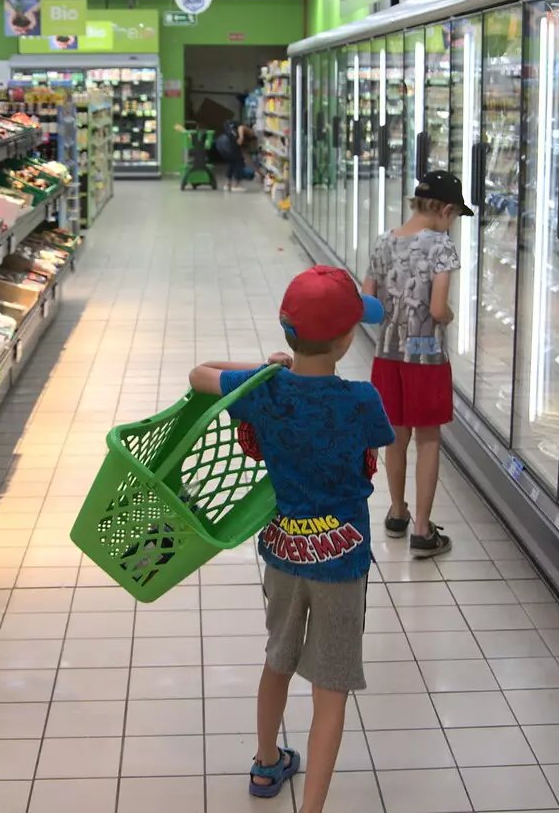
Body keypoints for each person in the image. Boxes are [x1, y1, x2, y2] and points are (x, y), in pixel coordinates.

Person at [188, 266, 393, 813]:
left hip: (281, 551)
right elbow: (380, 441)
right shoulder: (363, 400)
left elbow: (199, 373)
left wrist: (263, 371)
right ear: (348, 339)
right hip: (341, 560)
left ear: (287, 333)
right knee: (331, 686)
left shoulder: (264, 392)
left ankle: (265, 762)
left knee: (278, 656)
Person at [361, 170, 474, 559]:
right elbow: (439, 307)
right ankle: (423, 531)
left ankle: (396, 512)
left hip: (387, 355)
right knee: (428, 438)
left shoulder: (383, 241)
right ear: (445, 209)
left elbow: (368, 305)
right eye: (455, 215)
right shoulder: (441, 246)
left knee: (395, 436)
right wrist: (449, 317)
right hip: (425, 356)